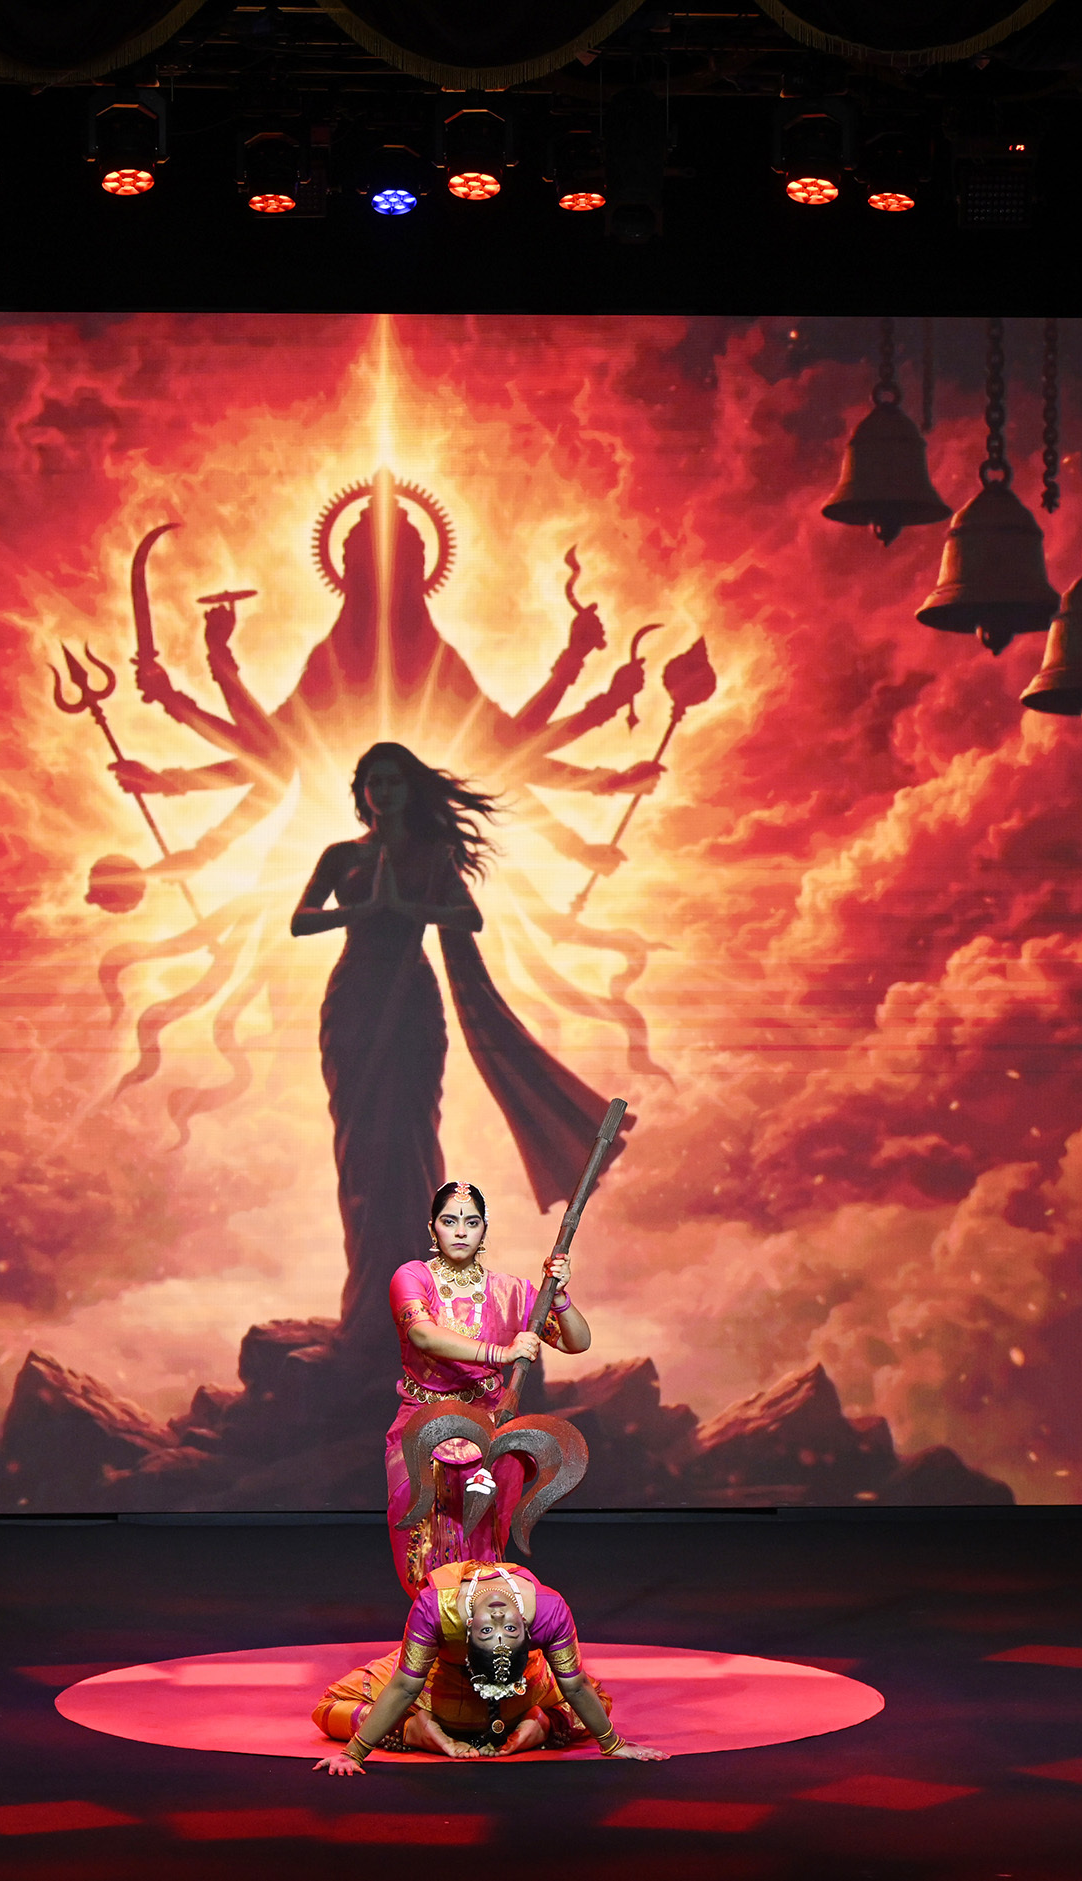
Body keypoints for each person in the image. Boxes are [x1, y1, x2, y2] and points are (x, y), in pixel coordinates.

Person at [288, 743, 621, 1386]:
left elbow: (468, 916)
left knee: (408, 1147)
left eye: (393, 780)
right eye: (372, 781)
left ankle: (422, 1306)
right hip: (354, 1001)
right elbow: (301, 920)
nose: (383, 791)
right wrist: (362, 912)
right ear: (361, 791)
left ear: (409, 790)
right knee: (360, 1152)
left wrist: (405, 910)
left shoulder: (433, 857)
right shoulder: (343, 856)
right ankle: (367, 1316)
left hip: (410, 1002)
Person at [378, 1180, 589, 1592]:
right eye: (449, 1221)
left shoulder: (511, 1291)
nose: (460, 1232)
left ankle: (476, 1634)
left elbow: (575, 1342)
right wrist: (501, 1353)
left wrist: (559, 1297)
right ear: (432, 1228)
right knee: (421, 1537)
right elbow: (423, 1335)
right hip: (422, 1428)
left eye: (471, 1223)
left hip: (489, 1428)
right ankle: (435, 1627)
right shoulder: (412, 1277)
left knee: (483, 1548)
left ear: (484, 1230)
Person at [311, 1560, 665, 1772]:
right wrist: (609, 1740)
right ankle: (543, 1726)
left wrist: (354, 1751)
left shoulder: (436, 1606)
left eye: (505, 1629)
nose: (498, 1617)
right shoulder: (548, 1607)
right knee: (597, 1700)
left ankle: (411, 1731)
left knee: (328, 1709)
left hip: (443, 1695)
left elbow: (405, 1686)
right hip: (522, 1698)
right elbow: (575, 1687)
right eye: (495, 1629)